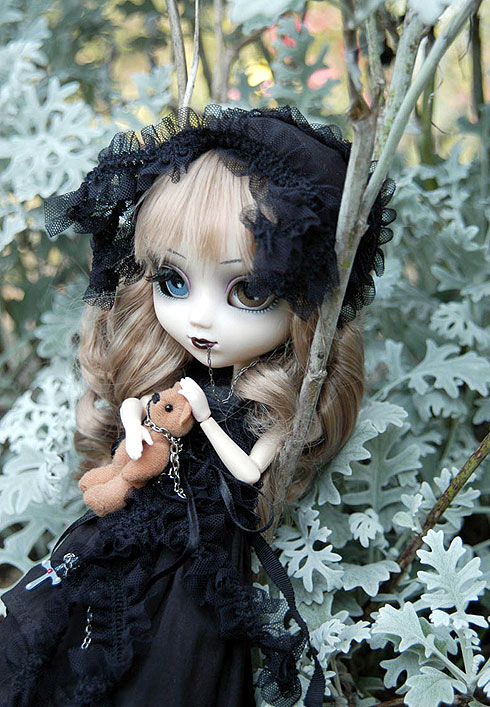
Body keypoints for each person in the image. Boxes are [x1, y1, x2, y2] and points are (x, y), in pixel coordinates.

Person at [0, 105, 395, 707]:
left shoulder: (264, 409)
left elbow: (249, 473)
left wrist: (207, 420)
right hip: (137, 521)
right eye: (173, 281)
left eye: (250, 290)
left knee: (177, 660)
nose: (200, 320)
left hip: (203, 549)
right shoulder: (178, 377)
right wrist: (133, 425)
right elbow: (136, 409)